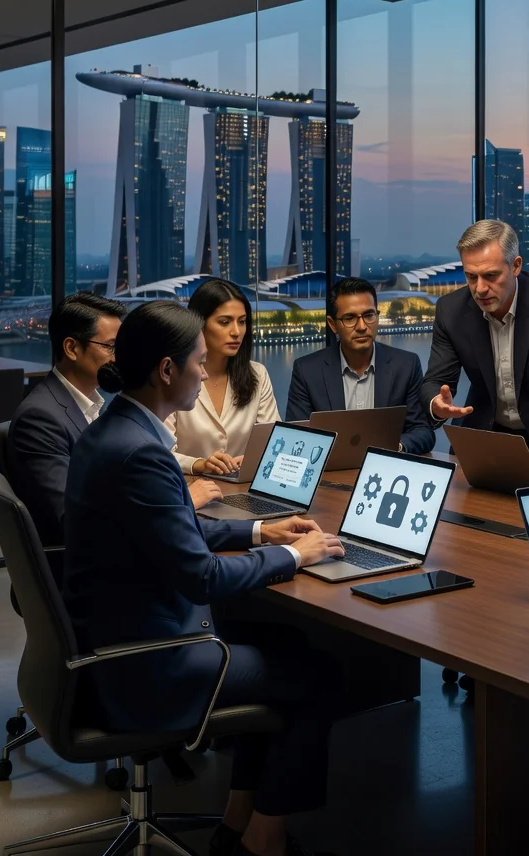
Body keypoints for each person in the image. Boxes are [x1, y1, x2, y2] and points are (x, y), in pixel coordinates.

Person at [64, 301, 345, 856]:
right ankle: (265, 841)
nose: (204, 371)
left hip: (116, 637)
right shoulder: (142, 452)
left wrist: (262, 533)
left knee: (286, 644)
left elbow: (168, 532)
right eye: (197, 361)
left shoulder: (114, 431)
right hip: (147, 660)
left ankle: (239, 818)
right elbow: (200, 577)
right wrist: (298, 557)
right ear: (167, 370)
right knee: (317, 675)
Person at [420, 219, 529, 472]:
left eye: (490, 276)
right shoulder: (450, 310)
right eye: (471, 276)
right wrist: (437, 403)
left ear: (515, 266)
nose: (480, 289)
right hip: (486, 437)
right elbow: (435, 379)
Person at [6, 293, 126, 546]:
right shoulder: (40, 418)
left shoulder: (89, 404)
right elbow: (73, 517)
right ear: (72, 348)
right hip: (83, 571)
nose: (119, 357)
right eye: (111, 346)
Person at [286, 277, 435, 455]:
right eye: (350, 318)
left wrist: (395, 447)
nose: (362, 326)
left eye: (369, 315)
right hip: (331, 474)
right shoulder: (307, 371)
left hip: (385, 472)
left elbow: (423, 432)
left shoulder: (406, 365)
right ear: (333, 325)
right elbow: (296, 438)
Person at [165, 279, 281, 477]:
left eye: (242, 322)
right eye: (224, 322)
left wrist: (256, 458)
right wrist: (199, 464)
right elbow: (159, 451)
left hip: (244, 489)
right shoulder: (174, 375)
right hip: (189, 489)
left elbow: (275, 442)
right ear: (199, 325)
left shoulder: (257, 374)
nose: (236, 332)